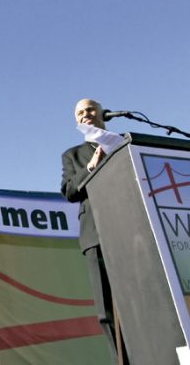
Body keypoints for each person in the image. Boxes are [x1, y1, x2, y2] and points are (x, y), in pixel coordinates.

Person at [61, 98, 126, 364]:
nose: (85, 114)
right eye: (79, 112)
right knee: (107, 309)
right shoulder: (73, 155)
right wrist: (91, 168)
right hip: (96, 235)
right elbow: (69, 191)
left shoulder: (125, 145)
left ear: (103, 114)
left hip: (133, 230)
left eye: (89, 109)